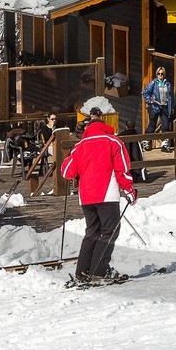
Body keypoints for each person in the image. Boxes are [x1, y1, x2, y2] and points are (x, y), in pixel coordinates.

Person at [60, 106, 136, 287]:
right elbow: (122, 169)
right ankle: (98, 271)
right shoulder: (113, 141)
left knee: (92, 231)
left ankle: (83, 270)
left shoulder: (80, 146)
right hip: (107, 193)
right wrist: (129, 190)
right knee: (109, 231)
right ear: (105, 125)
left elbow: (66, 171)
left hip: (86, 196)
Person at [142, 66, 173, 151]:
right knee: (152, 125)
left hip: (165, 106)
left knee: (165, 126)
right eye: (159, 73)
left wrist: (171, 106)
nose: (160, 75)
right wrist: (150, 101)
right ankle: (146, 141)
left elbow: (170, 96)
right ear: (156, 74)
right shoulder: (153, 83)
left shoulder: (168, 84)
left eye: (162, 74)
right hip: (155, 106)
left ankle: (165, 145)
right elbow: (145, 93)